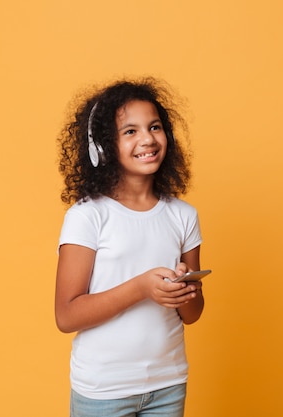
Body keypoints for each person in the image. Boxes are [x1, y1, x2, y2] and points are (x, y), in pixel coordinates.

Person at [55, 77, 205, 417]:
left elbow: (193, 315)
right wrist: (141, 288)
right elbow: (66, 315)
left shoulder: (183, 215)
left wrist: (186, 289)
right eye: (130, 132)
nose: (148, 139)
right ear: (104, 146)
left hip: (168, 383)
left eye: (154, 127)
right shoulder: (87, 217)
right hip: (104, 390)